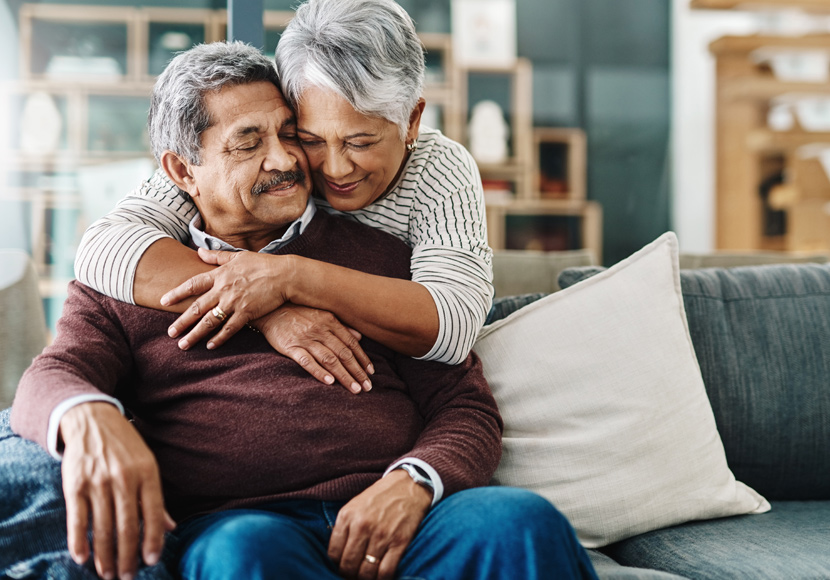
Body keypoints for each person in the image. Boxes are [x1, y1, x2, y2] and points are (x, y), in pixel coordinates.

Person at [11, 42, 597, 580]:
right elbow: (48, 378)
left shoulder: (378, 258)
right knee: (245, 555)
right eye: (248, 143)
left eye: (289, 133)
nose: (285, 160)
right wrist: (88, 416)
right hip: (245, 524)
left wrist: (414, 483)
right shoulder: (129, 278)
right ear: (182, 172)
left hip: (402, 520)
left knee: (520, 522)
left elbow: (464, 404)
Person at [73, 0, 492, 393]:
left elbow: (454, 328)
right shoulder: (264, 160)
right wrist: (267, 307)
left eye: (360, 142)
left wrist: (289, 277)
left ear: (412, 120)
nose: (334, 168)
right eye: (308, 138)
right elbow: (102, 249)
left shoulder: (439, 169)